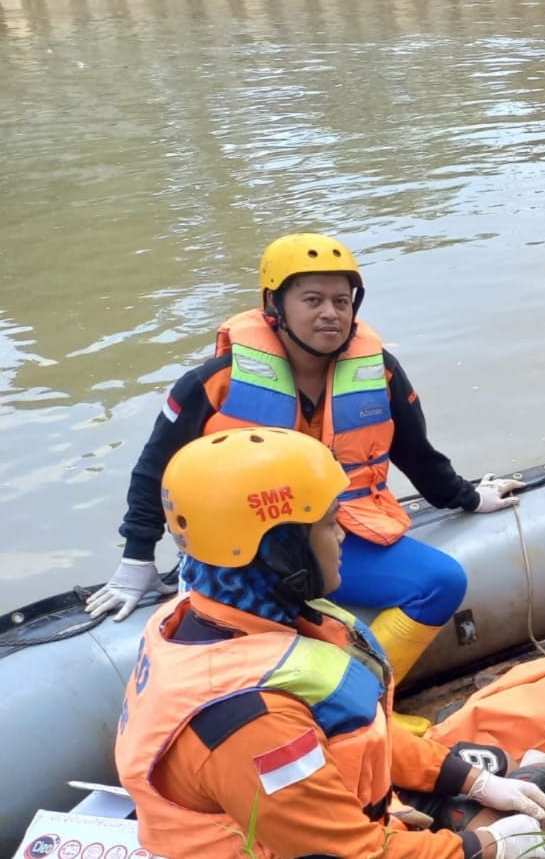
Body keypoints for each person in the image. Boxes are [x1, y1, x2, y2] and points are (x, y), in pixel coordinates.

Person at [88, 233, 519, 732]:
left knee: (442, 582)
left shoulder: (378, 371)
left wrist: (468, 498)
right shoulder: (215, 381)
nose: (330, 314)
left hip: (334, 535)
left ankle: (366, 703)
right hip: (243, 552)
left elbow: (416, 454)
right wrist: (136, 558)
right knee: (262, 628)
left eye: (341, 301)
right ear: (275, 306)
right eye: (311, 300)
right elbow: (154, 471)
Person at [114, 426, 545, 859]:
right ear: (279, 553)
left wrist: (468, 779)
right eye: (328, 523)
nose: (342, 534)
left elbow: (360, 730)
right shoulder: (253, 720)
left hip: (306, 824)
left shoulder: (217, 615)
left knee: (501, 773)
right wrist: (486, 847)